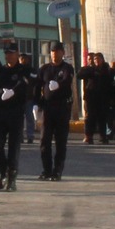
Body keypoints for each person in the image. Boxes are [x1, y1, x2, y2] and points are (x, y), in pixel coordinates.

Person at [0, 45, 35, 191]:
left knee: (14, 146)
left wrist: (14, 92)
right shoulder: (0, 70)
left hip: (15, 112)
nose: (9, 56)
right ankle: (3, 172)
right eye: (6, 54)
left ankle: (11, 178)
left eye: (11, 54)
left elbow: (30, 84)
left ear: (17, 54)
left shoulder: (24, 70)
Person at [35, 43, 75, 181]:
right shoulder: (44, 69)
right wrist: (36, 103)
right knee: (44, 141)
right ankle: (46, 170)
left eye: (57, 51)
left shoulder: (67, 68)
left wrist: (59, 85)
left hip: (62, 108)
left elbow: (67, 80)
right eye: (52, 52)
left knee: (60, 141)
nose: (54, 54)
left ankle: (57, 170)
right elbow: (37, 85)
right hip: (47, 109)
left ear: (62, 53)